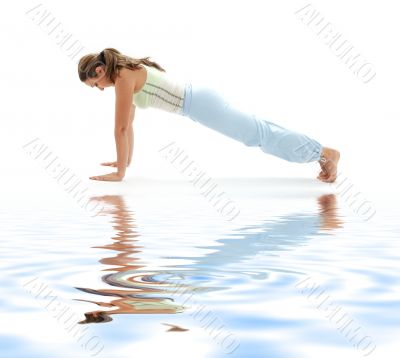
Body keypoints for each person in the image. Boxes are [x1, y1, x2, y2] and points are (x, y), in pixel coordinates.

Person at [78, 48, 340, 183]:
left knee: (258, 136)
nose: (99, 90)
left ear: (100, 70)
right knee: (259, 133)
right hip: (199, 103)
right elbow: (129, 125)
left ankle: (324, 152)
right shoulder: (126, 72)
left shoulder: (124, 76)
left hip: (200, 105)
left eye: (95, 85)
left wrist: (120, 174)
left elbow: (120, 128)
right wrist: (125, 162)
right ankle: (320, 154)